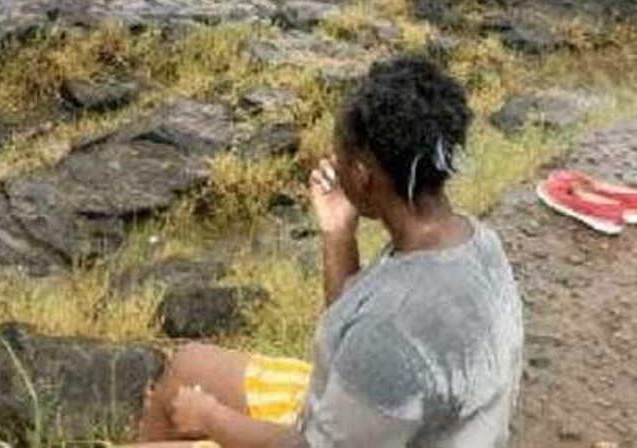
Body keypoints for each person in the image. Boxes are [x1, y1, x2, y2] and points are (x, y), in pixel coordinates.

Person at [129, 56, 524, 447]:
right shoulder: (475, 241)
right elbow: (356, 321)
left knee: (188, 409)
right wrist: (338, 233)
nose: (334, 163)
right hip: (384, 417)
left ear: (363, 176)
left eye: (342, 156)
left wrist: (211, 418)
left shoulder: (391, 331)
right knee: (188, 365)